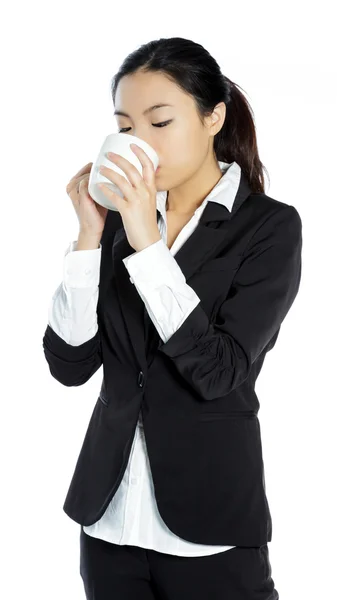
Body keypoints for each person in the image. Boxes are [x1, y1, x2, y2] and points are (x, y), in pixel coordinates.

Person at [42, 36, 302, 599]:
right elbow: (69, 364)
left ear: (214, 118)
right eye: (127, 126)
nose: (140, 142)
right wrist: (90, 236)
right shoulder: (114, 222)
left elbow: (218, 371)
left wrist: (144, 242)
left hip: (209, 530)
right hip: (108, 521)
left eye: (161, 122)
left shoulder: (268, 228)